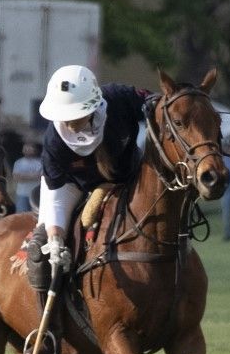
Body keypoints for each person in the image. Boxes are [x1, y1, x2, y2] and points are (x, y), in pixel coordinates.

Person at [27, 65, 150, 297]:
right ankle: (49, 324)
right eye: (64, 116)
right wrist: (55, 239)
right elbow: (55, 195)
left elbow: (158, 106)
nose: (69, 123)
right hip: (72, 185)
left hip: (128, 177)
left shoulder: (119, 98)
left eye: (74, 115)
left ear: (93, 105)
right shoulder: (55, 140)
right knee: (42, 251)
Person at [11, 140, 42, 213]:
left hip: (37, 195)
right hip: (22, 195)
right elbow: (16, 177)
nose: (28, 150)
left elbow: (42, 176)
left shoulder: (41, 162)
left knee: (38, 215)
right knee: (21, 215)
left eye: (30, 148)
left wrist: (24, 176)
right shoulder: (18, 162)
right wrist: (33, 176)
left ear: (35, 150)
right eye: (26, 148)